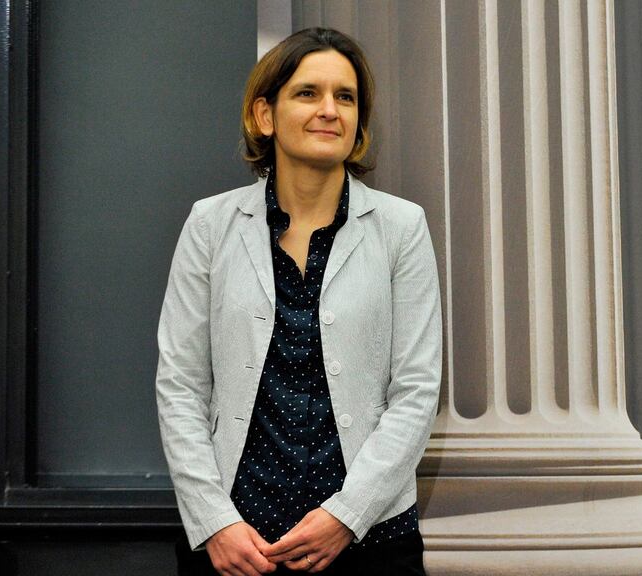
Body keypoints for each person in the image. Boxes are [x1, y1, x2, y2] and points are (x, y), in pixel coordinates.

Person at [155, 27, 442, 575]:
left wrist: (347, 515)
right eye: (308, 93)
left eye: (346, 96)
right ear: (265, 115)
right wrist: (214, 521)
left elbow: (416, 389)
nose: (329, 110)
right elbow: (181, 385)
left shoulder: (402, 228)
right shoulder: (210, 225)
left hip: (370, 538)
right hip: (237, 544)